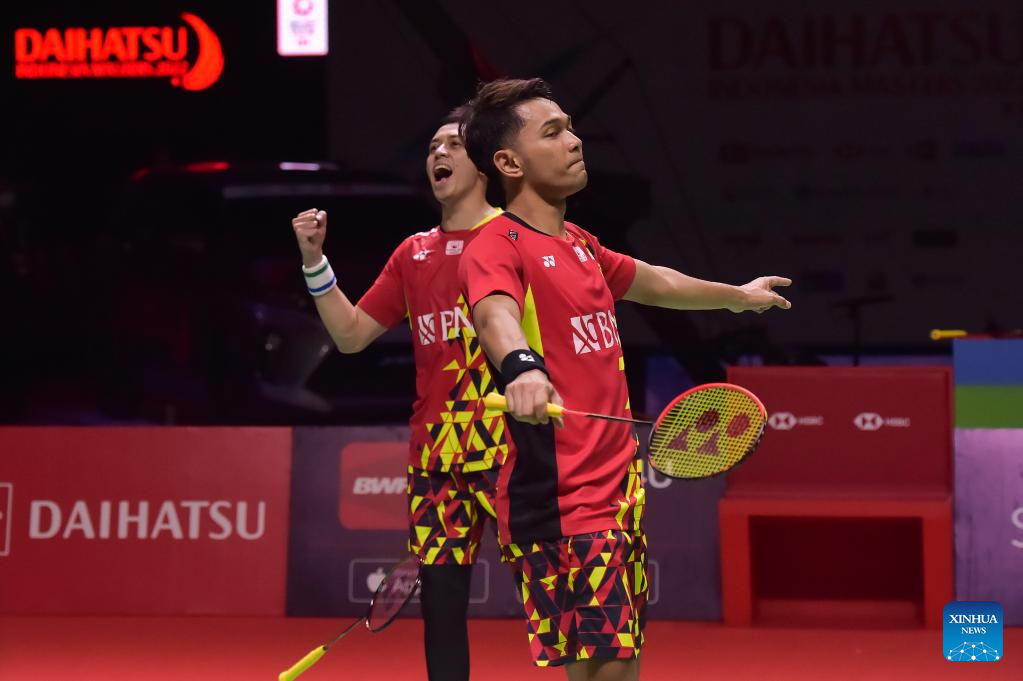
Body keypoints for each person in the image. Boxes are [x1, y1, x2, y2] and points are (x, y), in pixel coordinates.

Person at [458, 78, 791, 680]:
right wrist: (522, 367)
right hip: (560, 496)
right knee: (611, 666)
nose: (574, 141)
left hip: (614, 490)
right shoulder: (495, 246)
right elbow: (494, 315)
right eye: (553, 132)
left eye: (570, 127)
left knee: (606, 667)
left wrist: (737, 297)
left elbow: (655, 281)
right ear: (509, 163)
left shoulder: (580, 244)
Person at [291, 107, 505, 681]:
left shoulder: (516, 240)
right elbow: (351, 335)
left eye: (453, 145)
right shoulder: (414, 254)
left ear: (485, 163)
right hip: (436, 450)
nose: (438, 154)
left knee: (549, 582)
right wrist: (315, 262)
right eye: (432, 146)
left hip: (509, 442)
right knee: (441, 601)